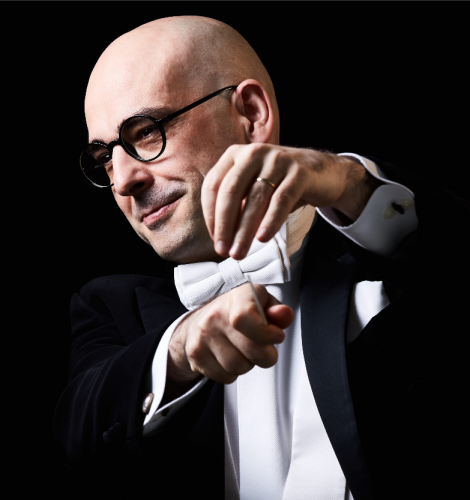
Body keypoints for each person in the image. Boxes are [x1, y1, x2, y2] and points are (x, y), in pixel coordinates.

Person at [53, 15, 468, 499]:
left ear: (251, 115)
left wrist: (351, 184)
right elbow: (77, 434)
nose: (123, 180)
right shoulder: (109, 309)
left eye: (146, 132)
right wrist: (180, 348)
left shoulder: (394, 248)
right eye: (105, 157)